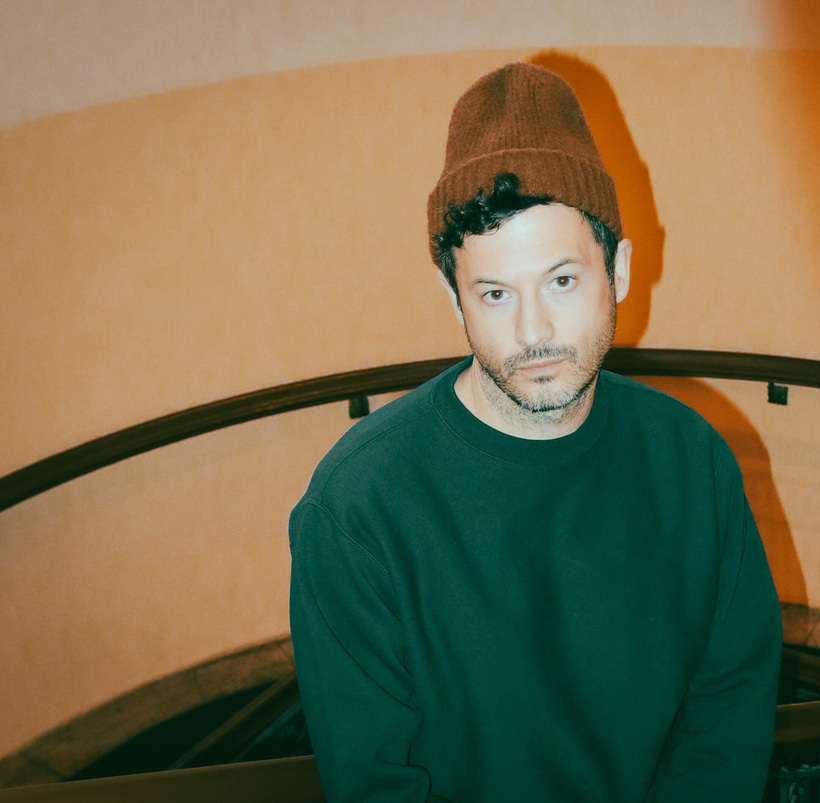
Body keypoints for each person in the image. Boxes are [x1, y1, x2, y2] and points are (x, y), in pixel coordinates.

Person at [289, 62, 781, 802]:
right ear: (453, 298)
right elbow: (374, 784)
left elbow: (727, 716)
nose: (533, 331)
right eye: (495, 293)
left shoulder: (692, 460)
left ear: (619, 270)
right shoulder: (358, 508)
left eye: (562, 281)